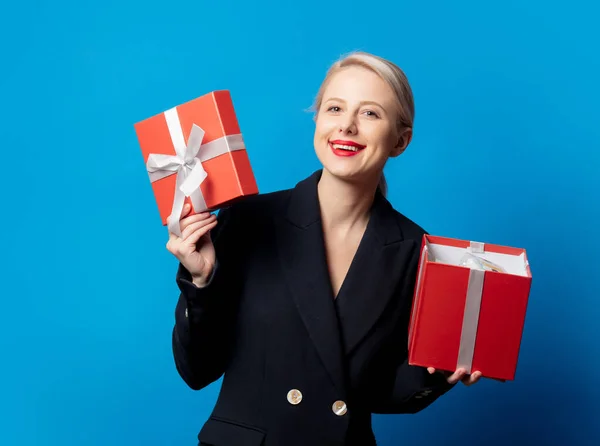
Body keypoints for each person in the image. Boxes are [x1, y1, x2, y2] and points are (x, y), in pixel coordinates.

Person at [166, 51, 482, 446]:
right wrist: (201, 281)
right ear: (318, 120)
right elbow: (196, 371)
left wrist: (438, 373)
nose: (346, 126)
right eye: (335, 108)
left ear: (400, 140)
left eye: (370, 114)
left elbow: (382, 391)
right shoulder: (247, 219)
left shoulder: (418, 253)